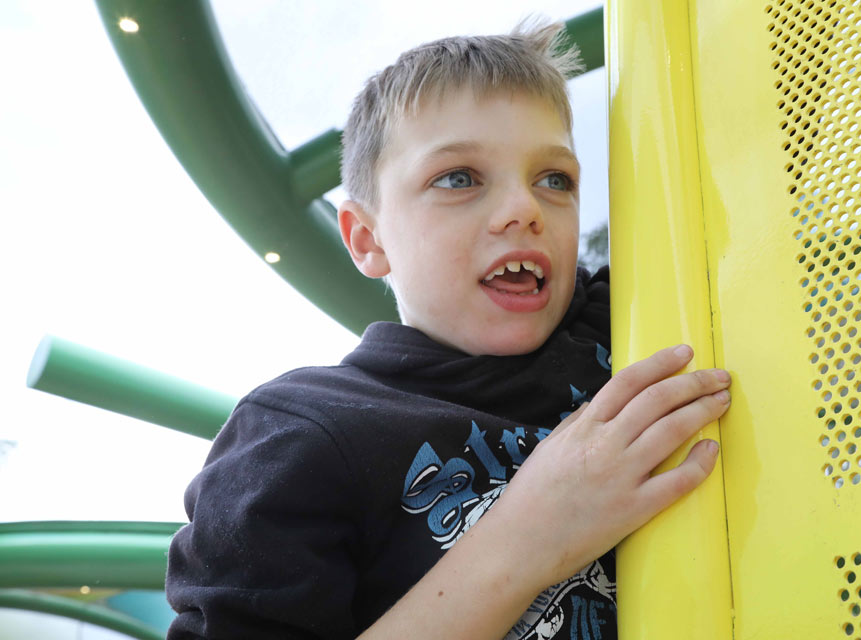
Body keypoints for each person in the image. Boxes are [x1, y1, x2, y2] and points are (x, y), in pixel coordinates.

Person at [165, 19, 731, 640]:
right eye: (459, 178)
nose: (525, 208)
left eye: (555, 180)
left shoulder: (622, 322)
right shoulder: (298, 433)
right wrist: (528, 539)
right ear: (366, 238)